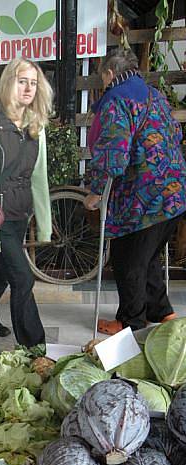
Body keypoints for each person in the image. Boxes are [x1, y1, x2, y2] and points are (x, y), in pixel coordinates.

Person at [84, 47, 186, 334]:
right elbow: (175, 134)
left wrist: (95, 191)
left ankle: (130, 321)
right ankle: (160, 310)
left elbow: (113, 151)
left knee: (128, 258)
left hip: (143, 198)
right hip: (175, 194)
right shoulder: (155, 95)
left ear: (108, 73)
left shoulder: (116, 99)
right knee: (149, 254)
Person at [0, 58, 52, 345]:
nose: (29, 88)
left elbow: (39, 178)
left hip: (20, 214)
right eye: (22, 81)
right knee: (23, 278)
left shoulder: (36, 127)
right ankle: (34, 346)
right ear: (9, 83)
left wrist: (44, 226)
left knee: (0, 274)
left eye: (33, 82)